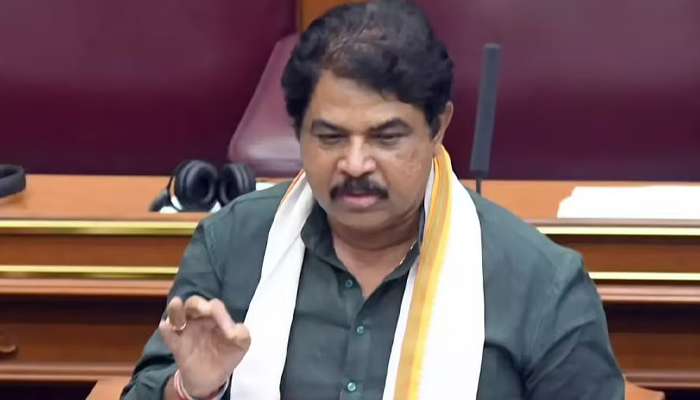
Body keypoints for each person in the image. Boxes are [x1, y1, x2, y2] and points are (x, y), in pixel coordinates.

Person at [121, 1, 624, 399]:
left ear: (438, 128)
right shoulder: (232, 244)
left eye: (386, 138)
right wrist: (190, 389)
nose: (356, 164)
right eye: (331, 137)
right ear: (298, 133)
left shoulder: (541, 283)